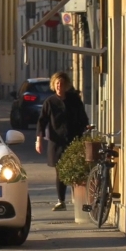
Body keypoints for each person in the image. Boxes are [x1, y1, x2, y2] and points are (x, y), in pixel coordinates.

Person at [35, 72, 89, 211]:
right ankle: (61, 201)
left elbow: (82, 117)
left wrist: (85, 129)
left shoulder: (74, 100)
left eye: (62, 83)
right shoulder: (50, 102)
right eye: (57, 83)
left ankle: (79, 199)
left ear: (66, 85)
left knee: (76, 169)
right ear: (54, 85)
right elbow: (42, 121)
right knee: (60, 171)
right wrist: (39, 139)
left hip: (73, 139)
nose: (59, 86)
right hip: (57, 142)